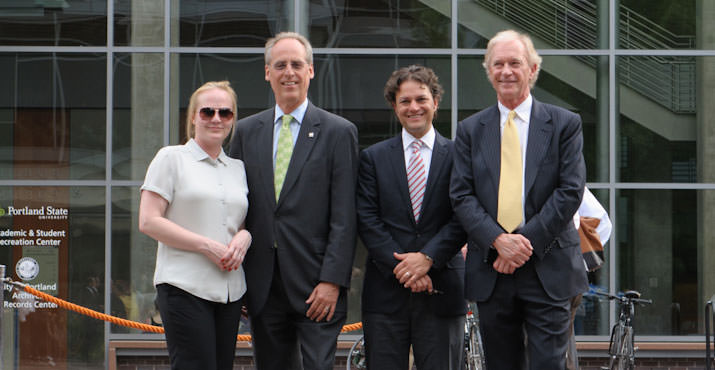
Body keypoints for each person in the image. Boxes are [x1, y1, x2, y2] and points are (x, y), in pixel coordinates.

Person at [449, 29, 588, 370]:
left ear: (533, 70)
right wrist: (498, 241)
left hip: (549, 267)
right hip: (492, 271)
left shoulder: (564, 124)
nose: (506, 71)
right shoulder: (470, 130)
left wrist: (521, 244)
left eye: (515, 63)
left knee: (547, 364)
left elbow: (570, 191)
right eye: (498, 64)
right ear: (489, 71)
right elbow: (461, 194)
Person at [228, 32, 359, 370]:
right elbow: (233, 208)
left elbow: (345, 215)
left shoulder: (338, 132)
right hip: (262, 287)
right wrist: (239, 279)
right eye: (280, 65)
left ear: (310, 71)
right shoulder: (245, 131)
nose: (289, 72)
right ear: (267, 72)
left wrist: (332, 280)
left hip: (317, 287)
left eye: (297, 64)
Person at [356, 65, 467, 370]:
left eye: (421, 99)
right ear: (394, 106)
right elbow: (367, 219)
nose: (413, 107)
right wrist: (406, 269)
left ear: (435, 102)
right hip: (386, 295)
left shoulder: (460, 156)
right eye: (405, 101)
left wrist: (428, 258)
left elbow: (464, 215)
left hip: (443, 289)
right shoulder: (373, 158)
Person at [139, 80, 251, 370]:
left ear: (232, 120)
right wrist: (205, 245)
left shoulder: (238, 168)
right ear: (192, 117)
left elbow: (238, 223)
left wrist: (245, 237)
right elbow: (149, 220)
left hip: (230, 291)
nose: (216, 118)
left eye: (225, 113)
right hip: (184, 286)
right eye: (207, 111)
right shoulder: (171, 158)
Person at [566, 186, 612, 370]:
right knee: (561, 340)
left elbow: (603, 224)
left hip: (563, 276)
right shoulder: (569, 181)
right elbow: (603, 223)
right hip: (569, 275)